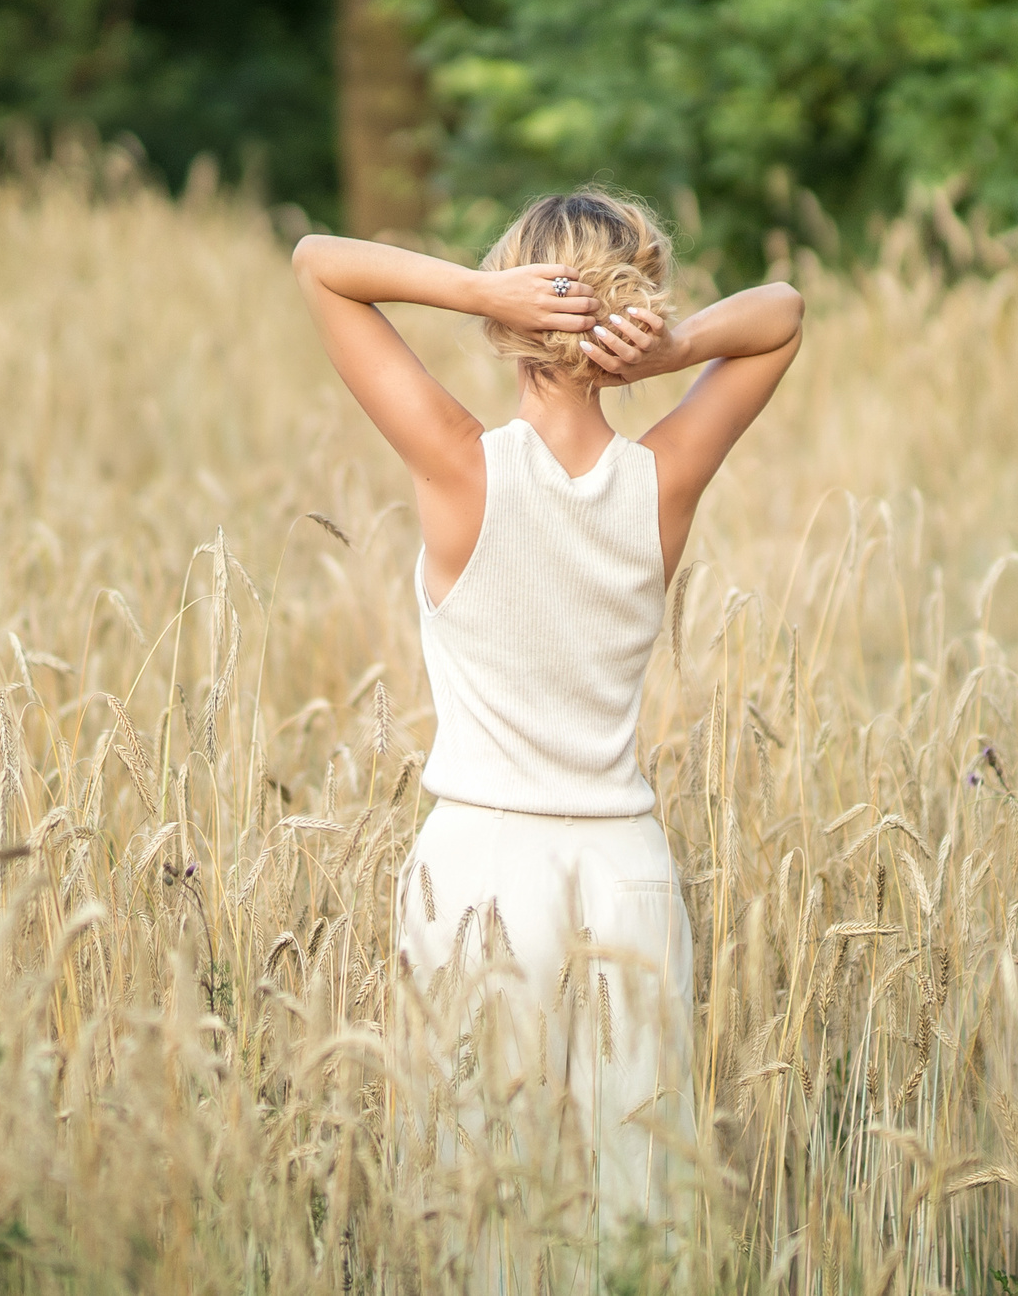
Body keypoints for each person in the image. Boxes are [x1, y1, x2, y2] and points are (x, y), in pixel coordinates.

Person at [292, 187, 804, 1267]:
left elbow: (318, 264)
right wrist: (667, 353)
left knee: (480, 1219)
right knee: (630, 1229)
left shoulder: (458, 465)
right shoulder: (661, 480)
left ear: (503, 324)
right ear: (642, 303)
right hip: (629, 876)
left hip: (480, 871)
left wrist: (475, 287)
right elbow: (782, 311)